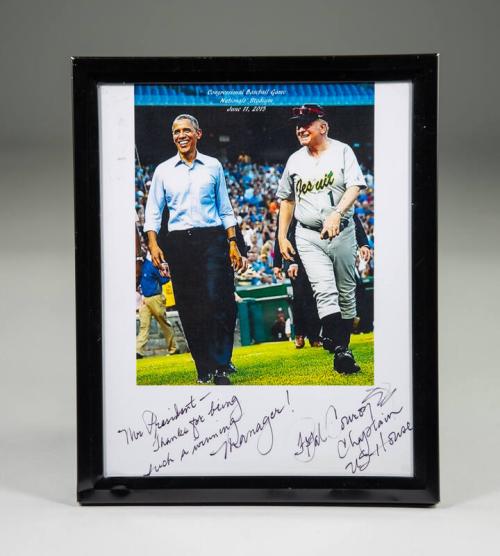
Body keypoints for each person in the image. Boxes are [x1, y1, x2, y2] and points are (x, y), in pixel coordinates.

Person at [144, 114, 246, 385]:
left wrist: (233, 243)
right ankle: (204, 365)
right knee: (190, 307)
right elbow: (153, 212)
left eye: (186, 130)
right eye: (176, 131)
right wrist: (154, 245)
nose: (181, 135)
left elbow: (225, 209)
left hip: (213, 239)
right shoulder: (163, 171)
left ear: (198, 134)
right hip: (179, 243)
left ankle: (222, 365)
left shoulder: (213, 166)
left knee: (219, 300)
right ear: (173, 136)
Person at [277, 104, 367, 374]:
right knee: (324, 289)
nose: (301, 128)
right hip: (307, 234)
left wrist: (338, 213)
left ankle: (341, 343)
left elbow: (355, 186)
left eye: (307, 123)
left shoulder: (342, 151)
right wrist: (282, 235)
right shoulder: (295, 160)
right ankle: (341, 352)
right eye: (298, 124)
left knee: (345, 293)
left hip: (342, 231)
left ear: (323, 127)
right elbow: (287, 199)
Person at [136, 256, 178, 358]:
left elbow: (164, 280)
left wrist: (165, 272)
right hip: (144, 299)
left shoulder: (151, 266)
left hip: (156, 298)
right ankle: (138, 351)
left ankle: (174, 348)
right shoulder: (138, 268)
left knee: (163, 323)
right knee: (143, 326)